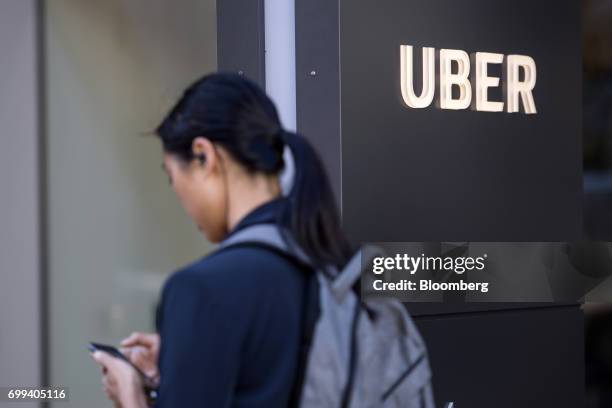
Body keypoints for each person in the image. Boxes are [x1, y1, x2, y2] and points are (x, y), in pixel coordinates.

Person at [91, 72, 352, 407]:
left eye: (172, 177)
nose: (179, 197)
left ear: (203, 157)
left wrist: (130, 394)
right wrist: (185, 360)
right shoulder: (332, 261)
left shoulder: (202, 289)